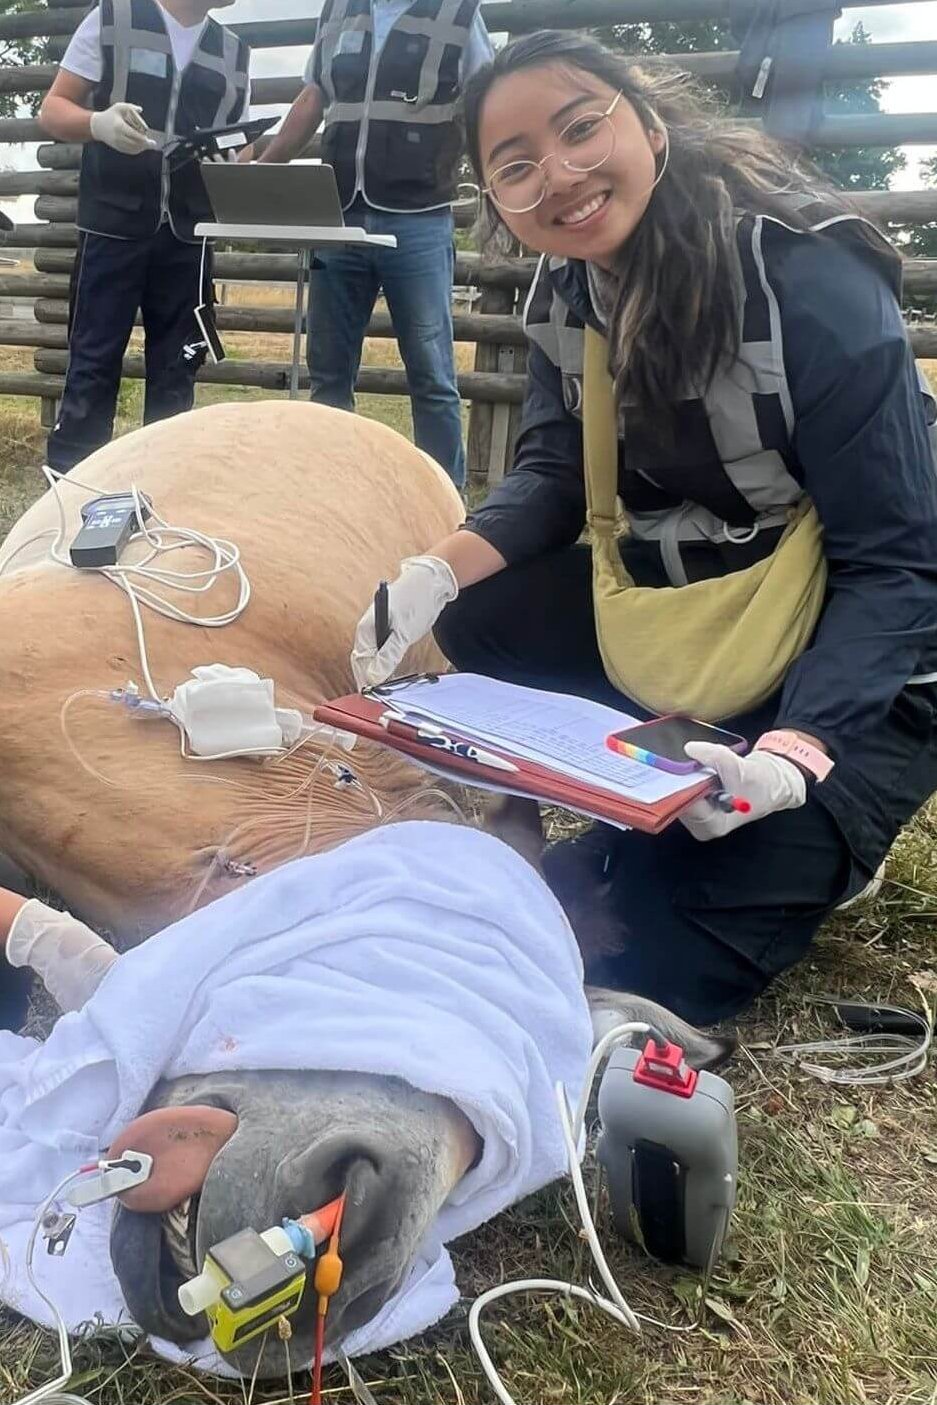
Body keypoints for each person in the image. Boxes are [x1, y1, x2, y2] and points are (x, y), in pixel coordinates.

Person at [350, 31, 937, 1027]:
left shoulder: (809, 280)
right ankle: (639, 792)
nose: (562, 177)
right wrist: (432, 577)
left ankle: (813, 810)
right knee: (489, 614)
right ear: (496, 203)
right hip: (703, 618)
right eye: (516, 166)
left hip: (861, 670)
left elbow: (899, 565)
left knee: (651, 964)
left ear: (651, 125)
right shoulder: (567, 290)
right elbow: (549, 472)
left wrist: (793, 753)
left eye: (582, 129)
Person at [247, 0, 494, 490]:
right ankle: (329, 493)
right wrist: (262, 167)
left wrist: (502, 179)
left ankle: (445, 502)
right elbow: (314, 96)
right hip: (336, 216)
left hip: (419, 216)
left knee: (432, 376)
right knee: (329, 375)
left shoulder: (458, 13)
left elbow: (486, 102)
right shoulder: (338, 9)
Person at [38, 0, 251, 474]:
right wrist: (97, 124)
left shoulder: (235, 53)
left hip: (189, 237)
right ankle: (72, 496)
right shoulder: (114, 18)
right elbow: (52, 110)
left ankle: (164, 491)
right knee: (92, 367)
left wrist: (235, 156)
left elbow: (241, 139)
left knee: (177, 372)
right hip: (112, 227)